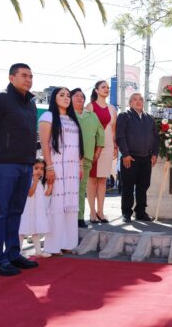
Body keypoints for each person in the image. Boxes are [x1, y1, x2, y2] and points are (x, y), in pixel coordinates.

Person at [0, 63, 39, 277]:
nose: (29, 80)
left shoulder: (31, 103)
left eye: (31, 76)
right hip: (4, 165)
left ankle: (13, 254)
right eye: (24, 75)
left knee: (16, 212)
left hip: (25, 166)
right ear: (11, 77)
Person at [40, 87, 83, 255]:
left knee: (70, 206)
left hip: (72, 169)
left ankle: (68, 244)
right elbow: (44, 143)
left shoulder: (73, 119)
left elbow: (79, 145)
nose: (66, 98)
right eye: (61, 95)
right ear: (54, 98)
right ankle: (53, 246)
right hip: (56, 166)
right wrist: (49, 167)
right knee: (56, 206)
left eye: (68, 95)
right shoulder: (47, 117)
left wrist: (79, 165)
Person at [116, 93, 159, 222]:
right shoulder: (124, 116)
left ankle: (140, 212)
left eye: (141, 99)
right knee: (128, 186)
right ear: (130, 103)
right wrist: (125, 154)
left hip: (146, 158)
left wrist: (155, 154)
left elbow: (156, 138)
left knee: (143, 186)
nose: (138, 101)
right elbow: (120, 136)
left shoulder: (150, 119)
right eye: (135, 99)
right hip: (130, 157)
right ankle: (126, 213)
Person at [71, 88, 105, 228]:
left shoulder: (92, 116)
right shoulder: (66, 115)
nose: (80, 98)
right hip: (67, 158)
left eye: (82, 96)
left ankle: (79, 217)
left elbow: (100, 135)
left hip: (86, 158)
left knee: (81, 187)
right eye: (76, 96)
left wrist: (97, 152)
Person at [85, 80, 117, 224]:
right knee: (92, 179)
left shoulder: (112, 109)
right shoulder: (90, 107)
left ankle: (100, 211)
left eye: (108, 87)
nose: (106, 89)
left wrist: (115, 147)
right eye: (103, 87)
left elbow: (113, 130)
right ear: (96, 90)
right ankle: (92, 211)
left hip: (108, 147)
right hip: (93, 147)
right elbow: (86, 129)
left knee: (103, 179)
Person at [19, 159, 52, 258]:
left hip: (36, 210)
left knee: (35, 230)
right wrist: (35, 181)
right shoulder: (29, 180)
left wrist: (50, 184)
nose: (39, 171)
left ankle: (38, 251)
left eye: (42, 169)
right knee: (21, 231)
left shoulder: (40, 182)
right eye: (36, 168)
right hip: (26, 210)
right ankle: (18, 251)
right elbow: (30, 193)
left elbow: (46, 194)